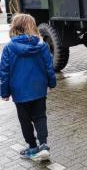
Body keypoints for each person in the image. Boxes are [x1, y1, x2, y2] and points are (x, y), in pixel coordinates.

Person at [0, 14, 56, 161]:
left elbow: (4, 73)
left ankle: (32, 147)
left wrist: (4, 92)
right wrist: (52, 83)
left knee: (25, 120)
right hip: (39, 89)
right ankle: (43, 145)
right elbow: (49, 67)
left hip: (19, 92)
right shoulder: (42, 46)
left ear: (15, 27)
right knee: (40, 117)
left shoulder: (9, 48)